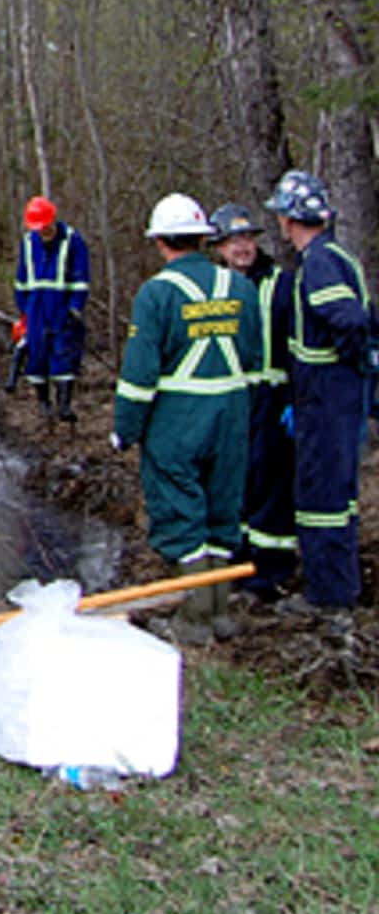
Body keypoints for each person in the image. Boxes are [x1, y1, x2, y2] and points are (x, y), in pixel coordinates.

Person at [113, 193, 261, 643]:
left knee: (182, 514)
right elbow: (254, 356)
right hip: (232, 417)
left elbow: (139, 375)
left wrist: (126, 429)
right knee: (222, 513)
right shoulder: (240, 287)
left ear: (160, 243)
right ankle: (219, 613)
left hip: (177, 422)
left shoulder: (156, 294)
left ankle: (194, 620)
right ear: (203, 238)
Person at [263, 170, 370, 631]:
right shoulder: (337, 256)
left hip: (326, 401)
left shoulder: (321, 263)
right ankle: (341, 586)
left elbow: (348, 319)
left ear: (290, 220)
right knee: (337, 497)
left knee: (321, 499)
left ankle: (328, 598)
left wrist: (346, 363)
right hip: (332, 398)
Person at [207, 202, 298, 604]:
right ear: (219, 247)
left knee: (271, 482)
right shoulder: (213, 286)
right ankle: (237, 564)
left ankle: (271, 574)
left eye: (247, 239)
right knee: (234, 482)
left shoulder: (281, 284)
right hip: (230, 399)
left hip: (273, 397)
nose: (242, 247)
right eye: (233, 240)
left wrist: (296, 398)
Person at [13, 195, 90, 421]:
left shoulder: (73, 240)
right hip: (36, 308)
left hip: (62, 308)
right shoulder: (28, 243)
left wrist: (76, 307)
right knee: (36, 357)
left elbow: (81, 278)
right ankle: (44, 404)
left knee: (64, 354)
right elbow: (21, 281)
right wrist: (24, 311)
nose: (42, 231)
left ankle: (64, 405)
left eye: (45, 227)